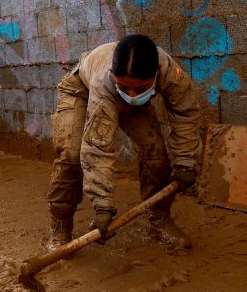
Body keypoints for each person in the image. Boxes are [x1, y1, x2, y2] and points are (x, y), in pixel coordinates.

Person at [47, 34, 201, 252]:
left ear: (156, 74)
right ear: (113, 75)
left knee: (156, 153)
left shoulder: (172, 75)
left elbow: (186, 116)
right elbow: (97, 147)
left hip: (129, 100)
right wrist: (102, 205)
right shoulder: (104, 81)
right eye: (125, 87)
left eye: (140, 88)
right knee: (71, 157)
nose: (131, 95)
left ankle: (159, 221)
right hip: (80, 91)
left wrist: (186, 161)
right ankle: (60, 226)